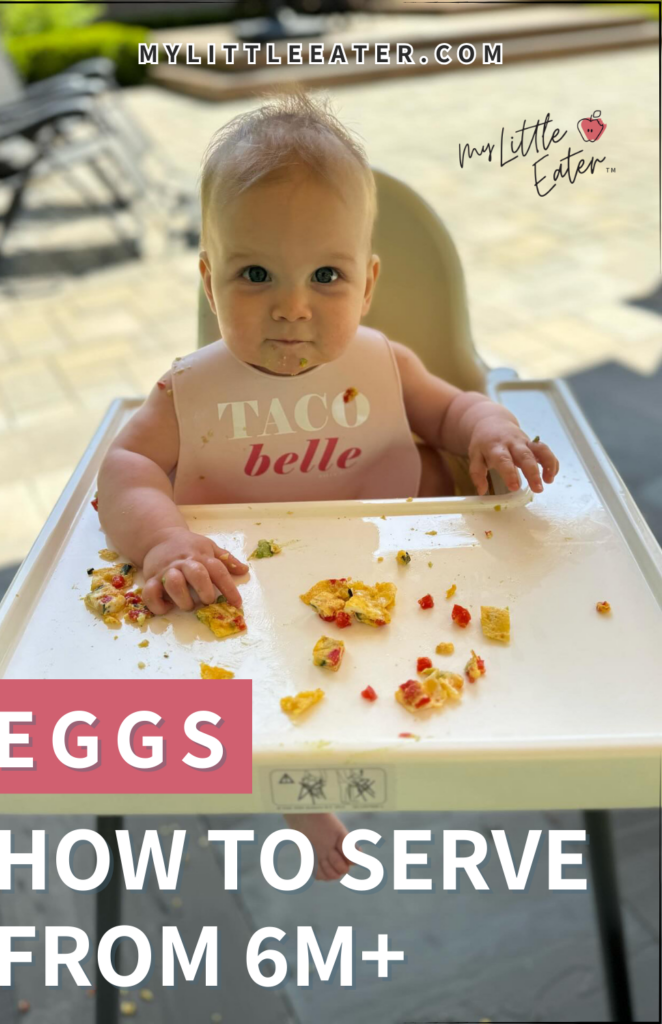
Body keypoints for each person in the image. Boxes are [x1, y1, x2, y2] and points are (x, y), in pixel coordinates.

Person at [98, 92, 559, 882]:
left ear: (368, 281)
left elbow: (454, 410)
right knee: (254, 693)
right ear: (210, 283)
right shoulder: (188, 395)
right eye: (254, 274)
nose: (292, 306)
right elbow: (123, 469)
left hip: (395, 573)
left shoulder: (385, 363)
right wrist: (165, 540)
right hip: (255, 585)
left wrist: (488, 432)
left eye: (325, 275)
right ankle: (302, 800)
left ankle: (441, 743)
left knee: (406, 667)